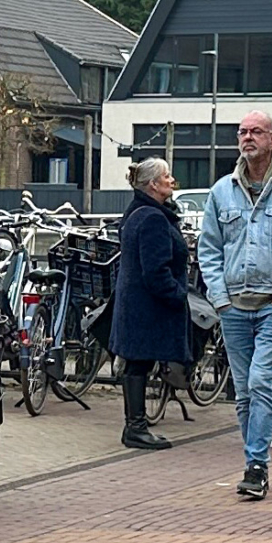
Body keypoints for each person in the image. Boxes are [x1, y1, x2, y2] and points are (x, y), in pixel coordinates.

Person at [197, 111, 272, 502]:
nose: (247, 138)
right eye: (242, 132)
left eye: (255, 132)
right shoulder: (222, 191)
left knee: (259, 381)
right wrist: (219, 297)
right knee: (245, 392)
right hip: (233, 305)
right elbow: (209, 249)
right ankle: (254, 462)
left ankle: (256, 464)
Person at [108, 159, 186, 451]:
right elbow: (156, 269)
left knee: (136, 363)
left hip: (133, 300)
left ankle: (136, 424)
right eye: (166, 175)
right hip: (147, 304)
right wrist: (177, 295)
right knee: (139, 363)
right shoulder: (153, 218)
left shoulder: (135, 213)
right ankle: (136, 427)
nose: (171, 179)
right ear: (153, 184)